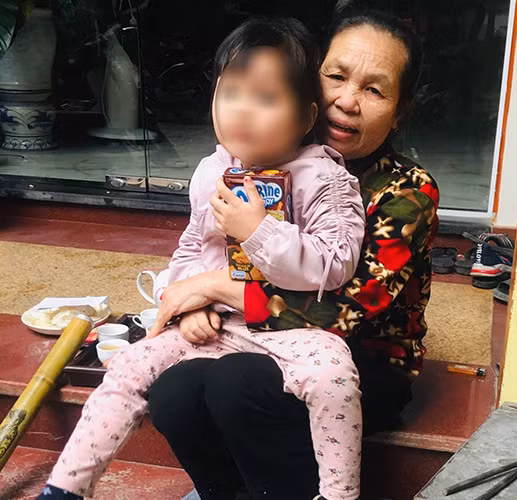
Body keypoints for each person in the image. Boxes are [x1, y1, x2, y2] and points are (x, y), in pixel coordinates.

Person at [38, 18, 368, 500]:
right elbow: (192, 247)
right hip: (213, 326)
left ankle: (339, 494)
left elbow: (334, 265)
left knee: (334, 373)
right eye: (230, 93)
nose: (242, 110)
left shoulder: (324, 178)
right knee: (129, 367)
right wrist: (191, 303)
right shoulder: (212, 171)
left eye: (265, 98)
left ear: (305, 117)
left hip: (292, 331)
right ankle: (65, 488)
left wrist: (258, 230)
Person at [147, 9, 440, 500]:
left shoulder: (406, 192)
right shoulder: (258, 159)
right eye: (336, 77)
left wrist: (214, 289)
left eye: (374, 90)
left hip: (360, 359)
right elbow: (202, 247)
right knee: (174, 390)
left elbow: (348, 310)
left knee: (237, 383)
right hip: (250, 337)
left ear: (400, 110)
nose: (346, 101)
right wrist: (191, 301)